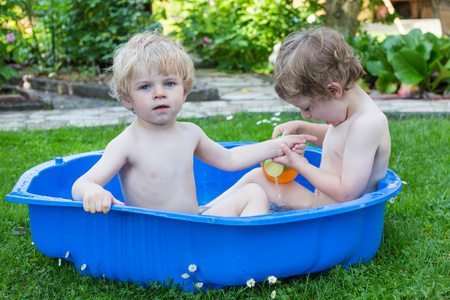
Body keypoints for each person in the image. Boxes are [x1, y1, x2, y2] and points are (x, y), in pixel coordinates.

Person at [71, 32, 316, 217]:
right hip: (159, 233)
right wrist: (93, 192)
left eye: (169, 84)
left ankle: (245, 254)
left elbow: (229, 159)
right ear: (127, 99)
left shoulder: (190, 133)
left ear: (185, 90)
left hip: (195, 224)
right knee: (251, 193)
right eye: (145, 87)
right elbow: (81, 183)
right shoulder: (127, 143)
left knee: (254, 192)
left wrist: (276, 147)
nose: (159, 93)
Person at [206, 27, 391, 211]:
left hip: (339, 222)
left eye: (307, 108)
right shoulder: (349, 117)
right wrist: (301, 128)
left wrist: (300, 165)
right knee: (257, 177)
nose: (305, 115)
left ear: (334, 91)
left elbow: (347, 193)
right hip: (320, 209)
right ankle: (205, 211)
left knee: (255, 196)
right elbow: (343, 143)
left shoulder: (367, 125)